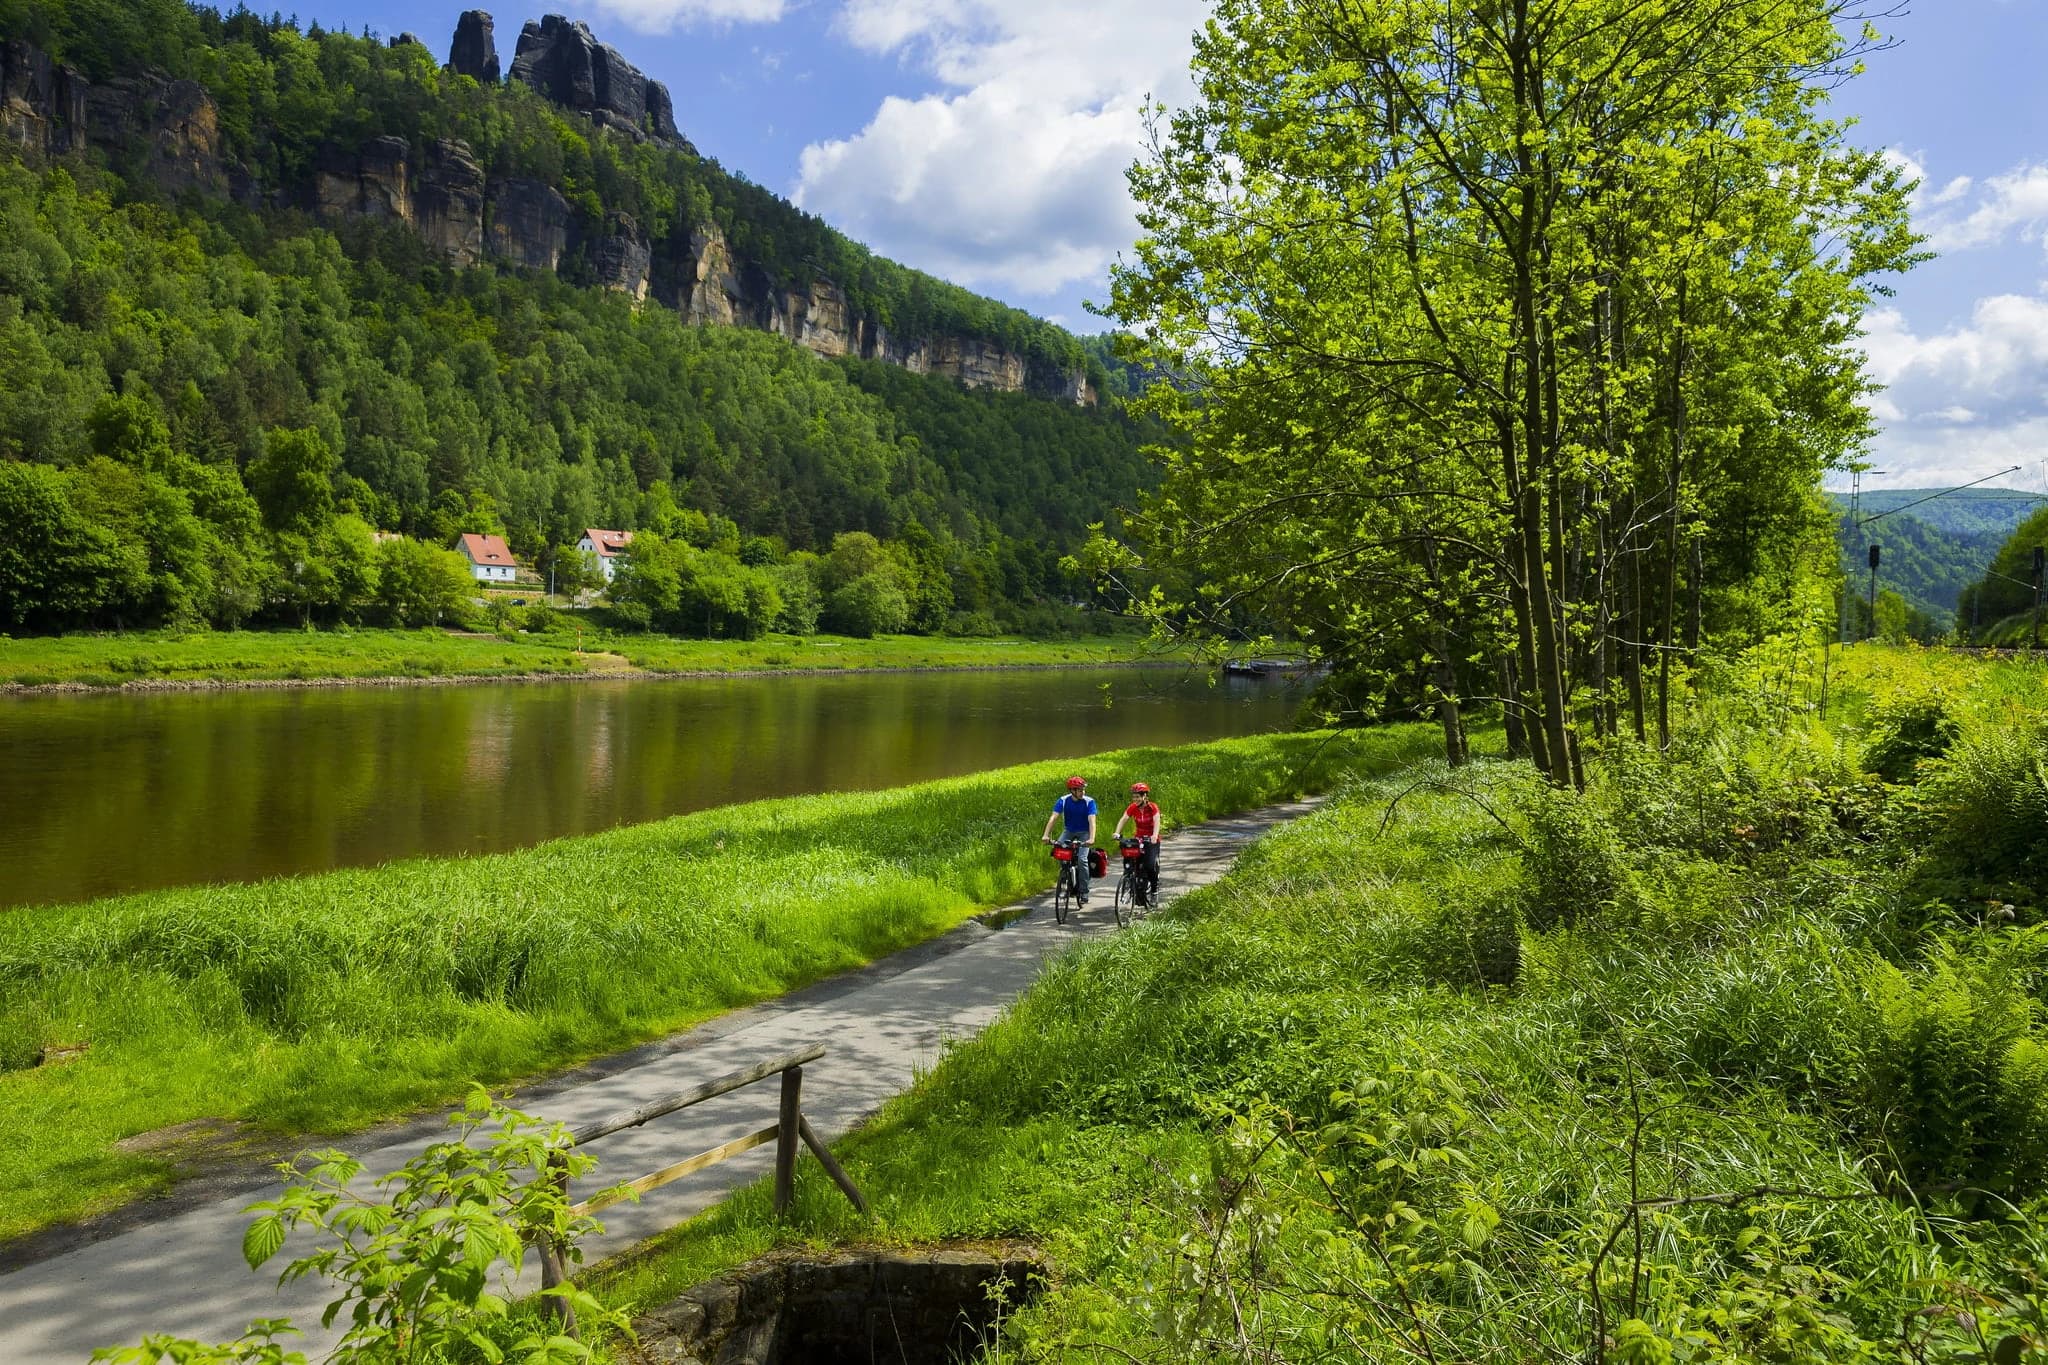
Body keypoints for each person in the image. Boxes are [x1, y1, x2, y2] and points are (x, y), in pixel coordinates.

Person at [1040, 775, 1098, 904]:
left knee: (1082, 859)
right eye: (1080, 790)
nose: (1083, 792)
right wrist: (1046, 835)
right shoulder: (1063, 800)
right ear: (1072, 791)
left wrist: (1092, 838)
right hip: (1069, 831)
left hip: (1085, 833)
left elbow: (1092, 821)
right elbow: (1053, 818)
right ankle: (1066, 876)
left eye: (1083, 790)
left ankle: (1084, 891)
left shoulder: (1089, 801)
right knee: (1059, 852)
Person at [1113, 781, 1163, 906]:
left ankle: (1154, 890)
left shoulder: (1152, 807)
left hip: (1151, 840)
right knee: (1130, 861)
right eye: (1133, 796)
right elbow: (1123, 819)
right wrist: (1117, 833)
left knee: (1150, 865)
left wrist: (1154, 835)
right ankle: (1129, 883)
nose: (1135, 799)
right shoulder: (1133, 807)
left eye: (1137, 797)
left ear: (1145, 796)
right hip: (1139, 838)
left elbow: (1157, 821)